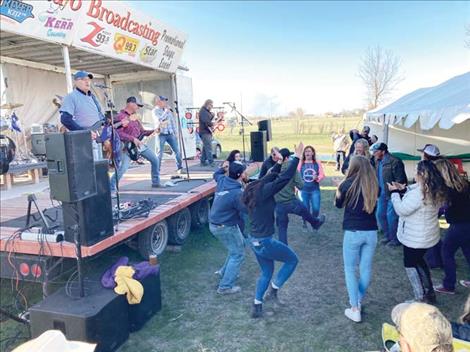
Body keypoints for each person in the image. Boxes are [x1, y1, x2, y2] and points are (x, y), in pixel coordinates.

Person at [242, 143, 304, 318]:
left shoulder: (252, 188)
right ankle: (274, 289)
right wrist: (296, 158)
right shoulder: (265, 192)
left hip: (253, 240)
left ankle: (257, 305)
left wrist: (277, 162)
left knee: (266, 272)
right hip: (265, 241)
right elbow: (283, 179)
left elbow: (268, 176)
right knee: (292, 260)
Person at [388, 160, 447, 303]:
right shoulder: (434, 189)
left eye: (416, 171)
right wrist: (403, 189)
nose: (414, 173)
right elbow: (414, 191)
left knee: (410, 264)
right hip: (427, 236)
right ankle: (429, 292)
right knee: (419, 261)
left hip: (415, 237)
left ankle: (419, 297)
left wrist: (395, 193)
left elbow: (401, 209)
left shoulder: (420, 194)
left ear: (422, 174)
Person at [335, 156, 379, 323]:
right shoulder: (374, 184)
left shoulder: (346, 184)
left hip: (353, 232)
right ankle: (357, 300)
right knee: (365, 268)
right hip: (371, 232)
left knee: (349, 269)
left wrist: (337, 189)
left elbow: (338, 205)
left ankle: (354, 307)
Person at [209, 161, 248, 295]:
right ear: (240, 175)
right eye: (244, 171)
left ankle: (224, 272)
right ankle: (225, 286)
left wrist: (222, 168)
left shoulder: (223, 180)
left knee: (237, 247)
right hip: (225, 226)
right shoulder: (237, 193)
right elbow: (246, 210)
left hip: (215, 224)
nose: (246, 172)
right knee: (238, 254)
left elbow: (216, 174)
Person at [274, 148, 326, 245]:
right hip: (290, 201)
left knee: (282, 227)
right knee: (304, 210)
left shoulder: (274, 169)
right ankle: (315, 223)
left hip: (278, 203)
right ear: (287, 157)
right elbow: (301, 185)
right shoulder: (292, 168)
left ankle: (283, 248)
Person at [433, 159, 470, 295]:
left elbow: (442, 207)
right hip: (467, 223)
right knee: (468, 251)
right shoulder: (465, 184)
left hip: (458, 225)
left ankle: (449, 285)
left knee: (447, 252)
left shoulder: (447, 189)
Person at [110, 97, 160, 191]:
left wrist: (154, 131)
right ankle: (111, 188)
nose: (139, 108)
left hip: (139, 145)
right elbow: (118, 133)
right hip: (127, 146)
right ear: (131, 104)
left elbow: (142, 132)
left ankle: (156, 182)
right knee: (123, 168)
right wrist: (133, 139)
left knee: (155, 160)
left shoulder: (135, 117)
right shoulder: (120, 116)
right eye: (138, 105)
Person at [60, 70, 105, 160]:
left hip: (96, 137)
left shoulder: (92, 97)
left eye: (88, 79)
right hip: (82, 139)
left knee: (98, 167)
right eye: (84, 79)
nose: (87, 81)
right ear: (76, 81)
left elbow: (100, 117)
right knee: (89, 169)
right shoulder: (71, 97)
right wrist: (83, 132)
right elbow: (65, 119)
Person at [372, 142, 407, 247]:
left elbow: (401, 179)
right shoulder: (378, 161)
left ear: (383, 151)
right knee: (380, 215)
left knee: (391, 217)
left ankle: (395, 239)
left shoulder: (395, 161)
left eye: (376, 151)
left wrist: (396, 191)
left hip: (393, 193)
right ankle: (388, 236)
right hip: (382, 193)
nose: (374, 153)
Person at [153, 95, 183, 174]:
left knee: (177, 151)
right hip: (161, 134)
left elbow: (172, 121)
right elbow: (159, 120)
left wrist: (175, 132)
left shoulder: (168, 111)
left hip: (170, 133)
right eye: (163, 101)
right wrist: (166, 112)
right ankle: (157, 170)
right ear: (158, 102)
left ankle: (180, 167)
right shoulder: (155, 111)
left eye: (165, 100)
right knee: (159, 152)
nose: (165, 102)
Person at [299, 145, 324, 221]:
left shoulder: (317, 163)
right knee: (305, 208)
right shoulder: (301, 163)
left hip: (314, 189)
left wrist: (317, 178)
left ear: (313, 153)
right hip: (304, 189)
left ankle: (314, 220)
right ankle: (305, 221)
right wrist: (297, 186)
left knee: (316, 209)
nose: (307, 153)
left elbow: (322, 174)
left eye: (309, 151)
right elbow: (297, 174)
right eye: (306, 151)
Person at [198, 99, 215, 167]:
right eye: (211, 105)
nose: (212, 106)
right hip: (204, 132)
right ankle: (211, 162)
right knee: (208, 147)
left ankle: (202, 161)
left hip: (206, 132)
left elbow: (208, 119)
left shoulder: (206, 111)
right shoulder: (203, 111)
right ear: (208, 104)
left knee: (205, 148)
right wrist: (212, 124)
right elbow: (206, 121)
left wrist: (212, 115)